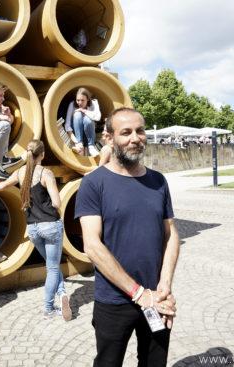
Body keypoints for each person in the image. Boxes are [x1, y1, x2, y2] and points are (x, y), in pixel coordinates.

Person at [75, 108, 180, 366]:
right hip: (114, 301)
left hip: (157, 297)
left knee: (155, 363)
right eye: (126, 132)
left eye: (140, 130)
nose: (136, 138)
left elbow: (171, 236)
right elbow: (92, 245)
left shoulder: (158, 181)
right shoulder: (93, 183)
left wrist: (164, 285)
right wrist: (138, 293)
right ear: (108, 138)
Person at [0, 140, 72, 321]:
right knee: (52, 268)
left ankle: (62, 292)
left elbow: (3, 185)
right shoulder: (46, 173)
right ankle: (48, 308)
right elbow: (57, 203)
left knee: (51, 266)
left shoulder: (21, 173)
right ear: (42, 155)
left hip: (33, 229)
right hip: (50, 225)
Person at [65, 87, 101, 157]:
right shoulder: (72, 104)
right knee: (77, 114)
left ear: (88, 99)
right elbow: (67, 124)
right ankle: (79, 145)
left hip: (89, 133)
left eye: (82, 100)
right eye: (78, 100)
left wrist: (84, 111)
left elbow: (98, 117)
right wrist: (75, 140)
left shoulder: (94, 103)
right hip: (76, 134)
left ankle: (91, 146)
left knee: (87, 119)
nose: (80, 103)